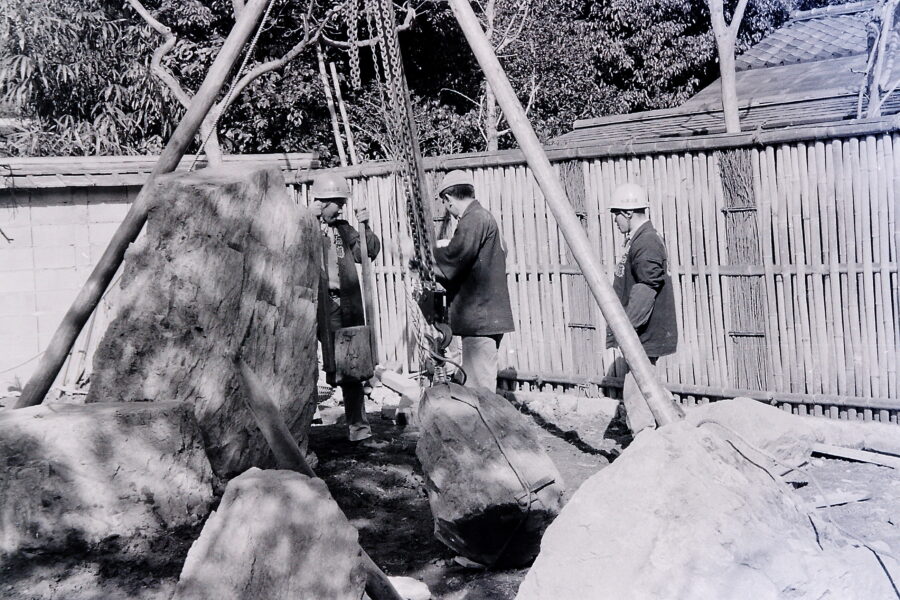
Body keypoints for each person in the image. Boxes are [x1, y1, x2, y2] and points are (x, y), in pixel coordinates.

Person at [310, 172, 381, 443]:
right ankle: (304, 426)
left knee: (352, 366)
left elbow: (368, 252)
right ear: (321, 202)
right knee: (307, 363)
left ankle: (358, 429)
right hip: (315, 306)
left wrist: (366, 227)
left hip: (345, 305)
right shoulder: (305, 226)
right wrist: (307, 220)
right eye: (336, 203)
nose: (340, 207)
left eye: (341, 202)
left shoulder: (344, 229)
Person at [430, 170, 515, 392]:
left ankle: (485, 427)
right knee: (476, 383)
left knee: (479, 392)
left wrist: (424, 258)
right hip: (485, 317)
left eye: (444, 204)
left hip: (480, 319)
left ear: (448, 199)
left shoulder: (473, 219)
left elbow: (453, 259)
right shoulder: (483, 217)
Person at [606, 182, 677, 434]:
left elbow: (645, 290)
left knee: (637, 393)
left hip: (643, 332)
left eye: (615, 213)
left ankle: (645, 442)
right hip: (640, 332)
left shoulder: (645, 242)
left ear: (627, 212)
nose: (614, 219)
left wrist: (624, 330)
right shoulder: (638, 239)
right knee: (648, 387)